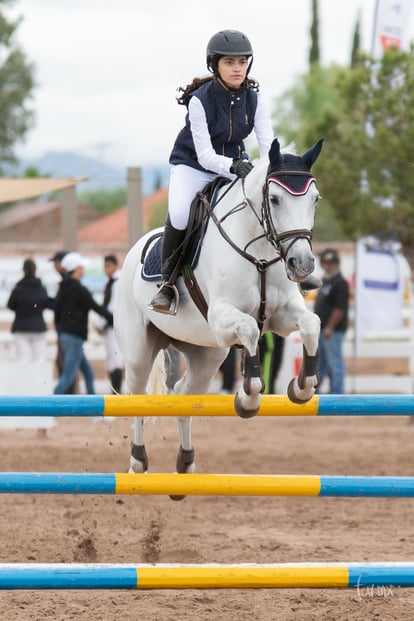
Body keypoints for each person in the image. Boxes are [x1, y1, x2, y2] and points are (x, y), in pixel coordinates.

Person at [149, 29, 274, 314]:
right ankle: (167, 284)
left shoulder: (256, 100)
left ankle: (288, 271)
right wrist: (233, 166)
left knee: (267, 202)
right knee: (181, 212)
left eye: (242, 62)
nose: (237, 68)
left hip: (236, 166)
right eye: (230, 62)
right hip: (193, 166)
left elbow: (268, 146)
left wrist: (270, 172)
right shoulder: (199, 100)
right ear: (214, 65)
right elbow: (205, 155)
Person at [53, 252, 113, 395]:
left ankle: (93, 410)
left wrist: (61, 331)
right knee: (67, 377)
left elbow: (57, 313)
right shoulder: (79, 290)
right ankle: (46, 409)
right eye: (82, 266)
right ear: (77, 268)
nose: (83, 269)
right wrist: (114, 319)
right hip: (74, 338)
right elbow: (96, 307)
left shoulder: (62, 288)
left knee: (88, 373)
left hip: (66, 336)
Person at [313, 248, 349, 394]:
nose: (323, 265)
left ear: (333, 264)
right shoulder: (327, 281)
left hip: (332, 330)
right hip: (323, 329)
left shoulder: (340, 283)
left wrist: (330, 327)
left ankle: (337, 393)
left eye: (325, 262)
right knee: (321, 364)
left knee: (335, 363)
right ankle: (317, 392)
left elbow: (339, 309)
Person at [7, 258, 50, 362]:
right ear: (35, 269)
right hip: (38, 326)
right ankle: (38, 379)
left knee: (22, 359)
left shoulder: (18, 289)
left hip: (21, 326)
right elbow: (46, 304)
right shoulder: (41, 288)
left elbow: (10, 305)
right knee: (39, 359)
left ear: (23, 270)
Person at [94, 254, 124, 394]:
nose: (106, 269)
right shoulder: (109, 282)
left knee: (116, 359)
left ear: (114, 265)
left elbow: (113, 306)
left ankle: (117, 391)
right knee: (111, 359)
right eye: (105, 266)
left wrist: (101, 323)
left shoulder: (117, 282)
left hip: (114, 325)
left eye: (108, 266)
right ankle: (114, 390)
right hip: (108, 324)